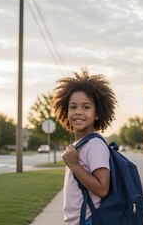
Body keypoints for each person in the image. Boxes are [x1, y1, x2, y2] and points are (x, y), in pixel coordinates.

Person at [52, 69, 117, 225]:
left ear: (97, 113)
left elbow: (103, 189)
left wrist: (74, 165)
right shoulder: (80, 144)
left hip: (88, 220)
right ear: (65, 111)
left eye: (86, 107)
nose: (78, 112)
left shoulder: (94, 144)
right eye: (73, 107)